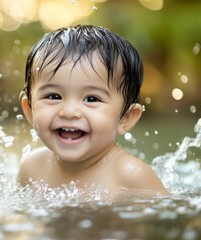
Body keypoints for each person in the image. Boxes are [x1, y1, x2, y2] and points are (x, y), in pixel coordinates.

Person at [18, 25, 169, 197]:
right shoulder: (31, 168)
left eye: (91, 99)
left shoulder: (131, 176)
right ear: (30, 111)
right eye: (53, 96)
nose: (69, 111)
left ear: (125, 119)